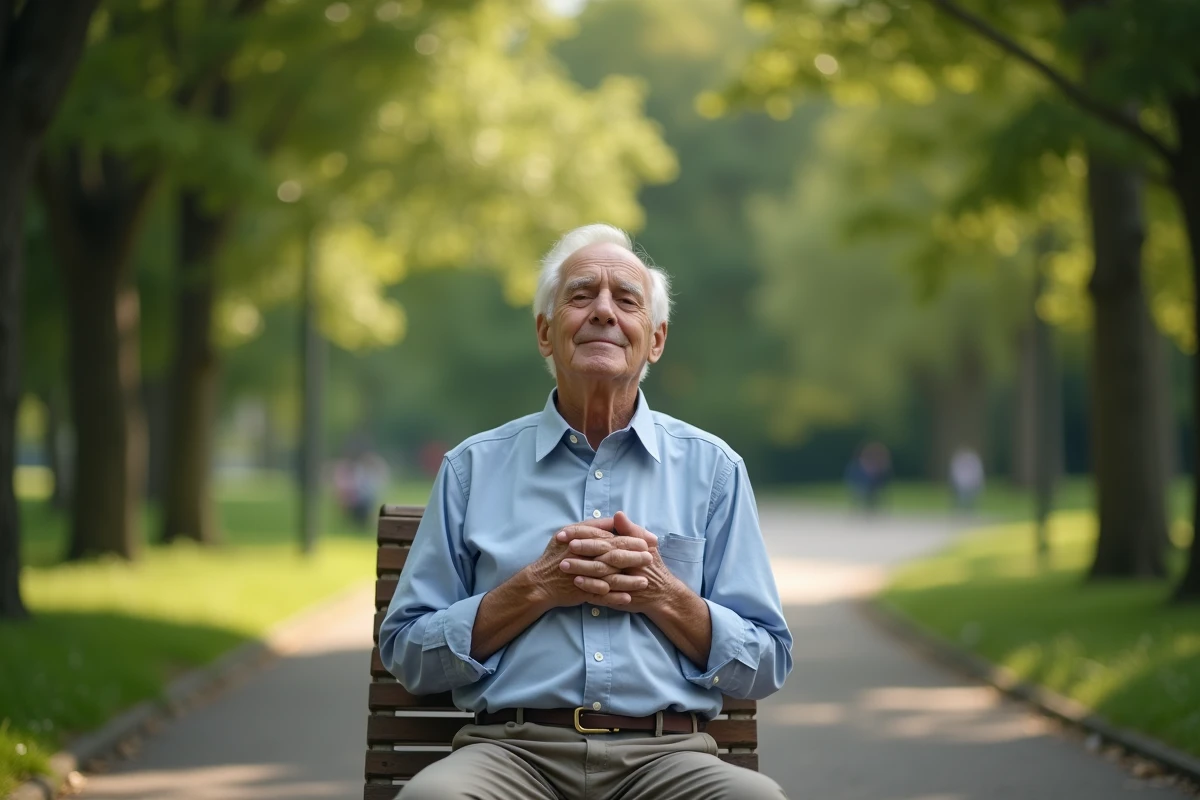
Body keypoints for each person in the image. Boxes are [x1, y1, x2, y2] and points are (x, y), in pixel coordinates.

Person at [379, 224, 792, 800]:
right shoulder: (472, 468)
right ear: (546, 333)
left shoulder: (713, 469)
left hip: (666, 759)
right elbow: (406, 651)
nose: (603, 311)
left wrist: (662, 593)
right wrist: (535, 588)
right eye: (581, 295)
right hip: (511, 754)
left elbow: (767, 661)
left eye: (626, 300)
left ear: (656, 339)